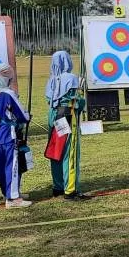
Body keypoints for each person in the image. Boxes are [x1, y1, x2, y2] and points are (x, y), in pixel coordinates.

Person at [44, 51, 88, 201]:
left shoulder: (51, 80)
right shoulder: (71, 78)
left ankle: (58, 186)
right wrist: (81, 97)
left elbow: (49, 100)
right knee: (70, 153)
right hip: (68, 116)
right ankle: (70, 189)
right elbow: (75, 102)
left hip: (53, 117)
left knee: (56, 150)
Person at [0, 63, 32, 208]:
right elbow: (22, 114)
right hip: (10, 132)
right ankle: (13, 198)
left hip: (1, 130)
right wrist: (27, 116)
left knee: (4, 162)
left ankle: (10, 192)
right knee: (12, 163)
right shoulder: (8, 93)